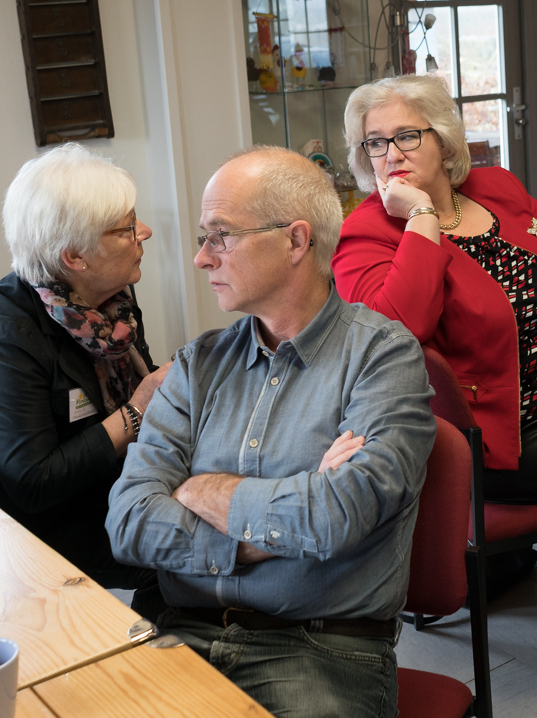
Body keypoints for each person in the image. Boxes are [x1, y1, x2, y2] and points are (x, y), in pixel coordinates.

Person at [104, 147, 435, 718]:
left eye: (221, 236)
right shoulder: (196, 366)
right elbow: (128, 523)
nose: (201, 258)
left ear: (296, 241)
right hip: (180, 634)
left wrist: (197, 488)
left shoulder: (383, 358)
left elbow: (335, 516)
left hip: (319, 651)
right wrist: (285, 516)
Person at [332, 74, 537, 615]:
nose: (391, 154)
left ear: (444, 140)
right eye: (375, 143)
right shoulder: (365, 235)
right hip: (511, 434)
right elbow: (396, 332)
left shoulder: (494, 187)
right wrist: (422, 218)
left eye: (406, 136)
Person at [0, 144, 170, 592]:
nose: (144, 232)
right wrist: (137, 413)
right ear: (75, 258)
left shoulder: (111, 308)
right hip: (21, 543)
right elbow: (34, 483)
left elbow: (133, 384)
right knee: (192, 560)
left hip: (102, 495)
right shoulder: (5, 336)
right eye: (126, 228)